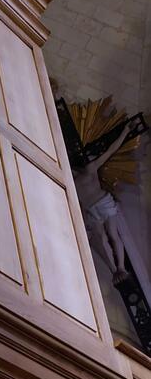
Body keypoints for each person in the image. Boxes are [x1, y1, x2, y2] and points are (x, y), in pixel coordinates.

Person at [73, 121, 132, 283]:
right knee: (100, 239)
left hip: (102, 203)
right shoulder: (70, 182)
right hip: (91, 210)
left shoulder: (90, 169)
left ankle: (121, 267)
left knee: (112, 234)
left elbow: (111, 150)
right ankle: (115, 270)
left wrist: (125, 132)